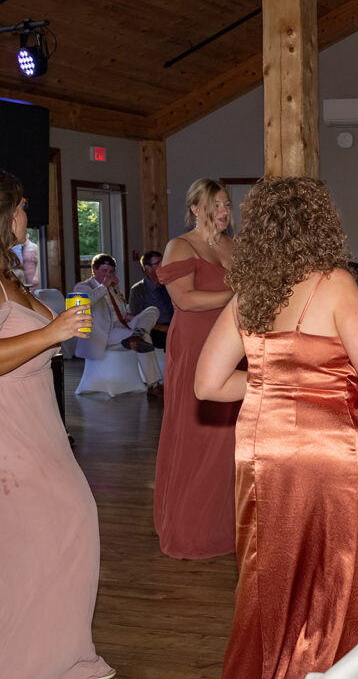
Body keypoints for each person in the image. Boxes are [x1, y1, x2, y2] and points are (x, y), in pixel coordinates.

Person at [195, 176, 358, 677]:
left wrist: (274, 385)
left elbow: (207, 384)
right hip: (327, 449)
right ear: (321, 225)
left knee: (266, 572)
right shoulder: (336, 284)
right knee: (335, 571)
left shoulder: (250, 292)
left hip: (260, 448)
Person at [0, 171, 115, 678]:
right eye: (23, 205)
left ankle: (55, 657)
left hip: (42, 426)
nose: (29, 215)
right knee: (63, 528)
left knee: (56, 536)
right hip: (13, 432)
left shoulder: (10, 274)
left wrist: (59, 331)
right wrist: (53, 330)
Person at [153, 178, 240, 559]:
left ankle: (227, 525)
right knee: (196, 431)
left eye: (226, 205)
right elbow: (185, 300)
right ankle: (192, 529)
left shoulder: (230, 245)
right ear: (195, 208)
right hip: (194, 344)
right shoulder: (180, 246)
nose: (223, 212)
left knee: (229, 436)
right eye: (216, 205)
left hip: (231, 342)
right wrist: (238, 295)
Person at [74, 253, 163, 396]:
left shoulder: (114, 288)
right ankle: (154, 384)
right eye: (104, 271)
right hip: (103, 334)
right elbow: (85, 304)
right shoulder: (83, 286)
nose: (108, 275)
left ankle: (136, 335)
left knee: (152, 310)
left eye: (111, 271)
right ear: (94, 270)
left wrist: (131, 317)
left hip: (122, 329)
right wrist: (104, 286)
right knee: (145, 338)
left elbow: (120, 313)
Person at [129, 250, 174, 349]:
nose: (162, 266)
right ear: (147, 268)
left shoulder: (169, 285)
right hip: (154, 330)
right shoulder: (138, 290)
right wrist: (163, 328)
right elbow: (136, 318)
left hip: (173, 326)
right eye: (158, 263)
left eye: (163, 262)